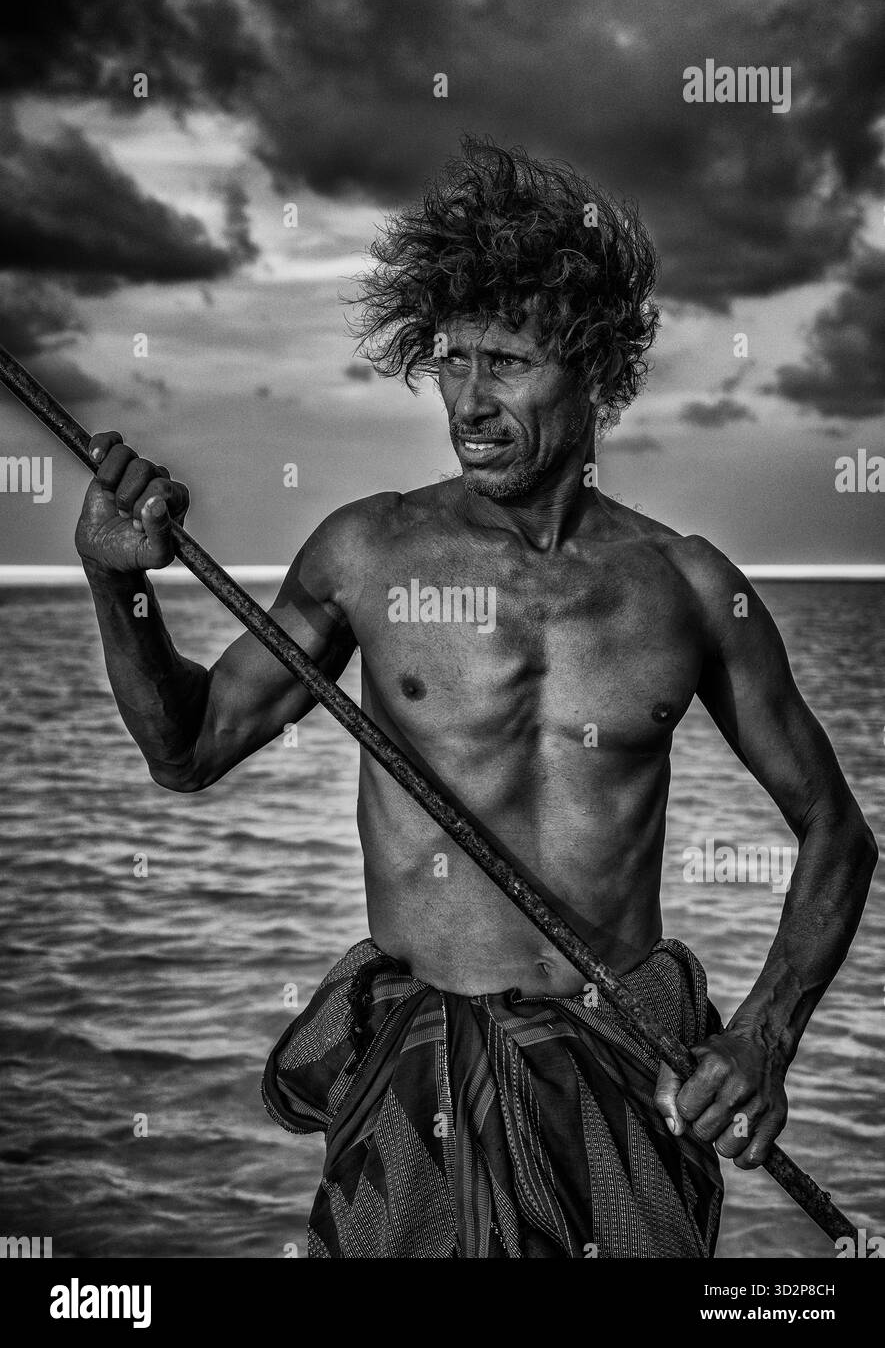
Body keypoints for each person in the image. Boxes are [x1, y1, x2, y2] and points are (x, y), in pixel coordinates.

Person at [75, 137, 877, 1258]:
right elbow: (190, 747)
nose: (470, 399)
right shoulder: (367, 554)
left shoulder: (687, 588)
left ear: (593, 368)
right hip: (415, 1084)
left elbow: (837, 832)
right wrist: (121, 586)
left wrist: (763, 1040)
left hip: (614, 1072)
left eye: (507, 361)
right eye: (452, 360)